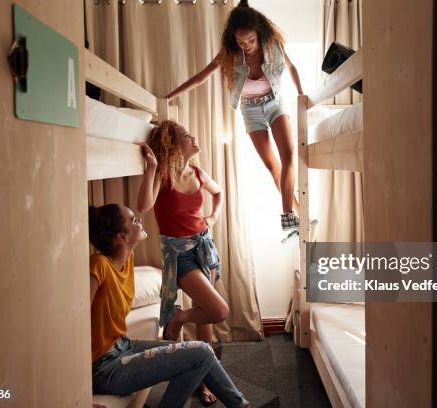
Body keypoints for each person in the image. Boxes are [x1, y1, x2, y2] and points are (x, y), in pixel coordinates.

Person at [89, 204, 248, 408]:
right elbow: (77, 322)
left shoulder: (126, 262)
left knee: (201, 354)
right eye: (133, 220)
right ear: (121, 237)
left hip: (123, 347)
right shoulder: (98, 265)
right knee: (200, 353)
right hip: (104, 367)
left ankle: (241, 405)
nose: (140, 220)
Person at [166, 0, 304, 231]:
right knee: (274, 168)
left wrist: (301, 95)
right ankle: (299, 213)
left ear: (259, 34)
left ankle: (287, 216)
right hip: (250, 111)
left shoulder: (273, 46)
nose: (247, 46)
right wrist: (170, 96)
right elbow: (201, 76)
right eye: (241, 42)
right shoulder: (231, 54)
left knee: (289, 155)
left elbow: (291, 68)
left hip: (274, 104)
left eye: (250, 40)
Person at [137, 120, 228, 405]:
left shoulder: (198, 172)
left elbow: (219, 193)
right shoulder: (163, 176)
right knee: (218, 310)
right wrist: (151, 168)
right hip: (180, 257)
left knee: (208, 321)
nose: (194, 137)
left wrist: (212, 218)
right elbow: (143, 206)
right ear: (175, 145)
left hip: (204, 248)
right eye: (188, 135)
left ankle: (205, 381)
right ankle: (178, 318)